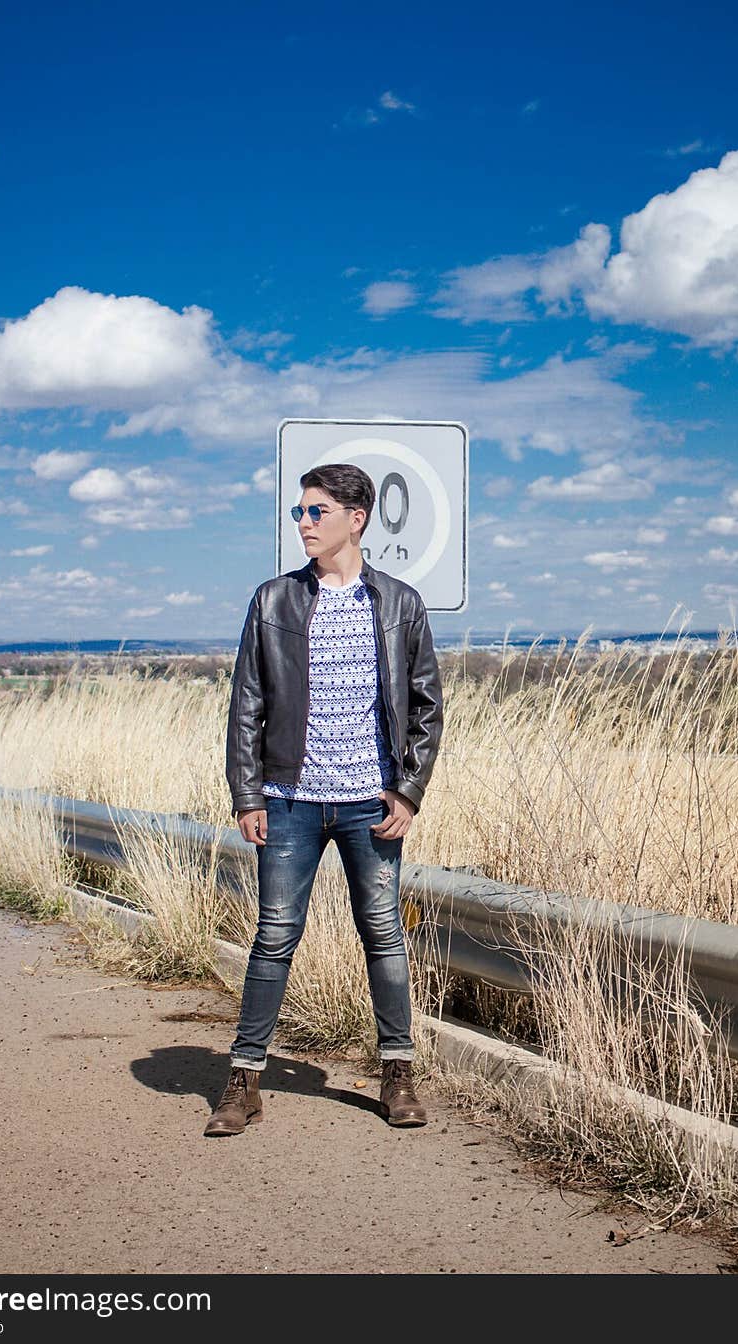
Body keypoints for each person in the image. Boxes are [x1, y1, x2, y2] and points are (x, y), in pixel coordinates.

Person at [204, 462, 444, 1136]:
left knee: (384, 935)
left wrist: (409, 790)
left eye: (315, 512)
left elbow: (426, 706)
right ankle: (244, 1080)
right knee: (275, 936)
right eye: (299, 513)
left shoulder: (399, 603)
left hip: (374, 804)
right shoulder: (273, 600)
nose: (303, 524)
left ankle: (397, 1075)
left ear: (356, 518)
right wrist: (247, 794)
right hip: (288, 801)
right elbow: (246, 705)